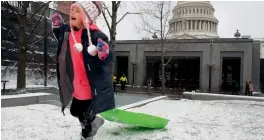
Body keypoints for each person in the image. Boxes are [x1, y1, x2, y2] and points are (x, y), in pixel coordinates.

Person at [51, 2, 115, 140]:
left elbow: (107, 58)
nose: (72, 12)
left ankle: (87, 135)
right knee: (75, 111)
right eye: (72, 9)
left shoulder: (95, 35)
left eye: (77, 10)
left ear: (86, 16)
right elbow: (61, 39)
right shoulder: (69, 31)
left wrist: (103, 52)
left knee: (85, 116)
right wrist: (57, 27)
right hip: (77, 84)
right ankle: (95, 122)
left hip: (89, 85)